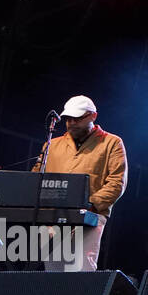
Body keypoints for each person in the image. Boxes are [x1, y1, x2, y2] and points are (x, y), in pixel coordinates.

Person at [33, 95, 128, 272]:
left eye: (77, 118)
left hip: (90, 215)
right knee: (53, 272)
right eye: (68, 119)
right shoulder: (51, 145)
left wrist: (91, 205)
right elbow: (37, 176)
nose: (72, 123)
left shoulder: (112, 143)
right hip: (53, 216)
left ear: (93, 116)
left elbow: (117, 182)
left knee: (82, 270)